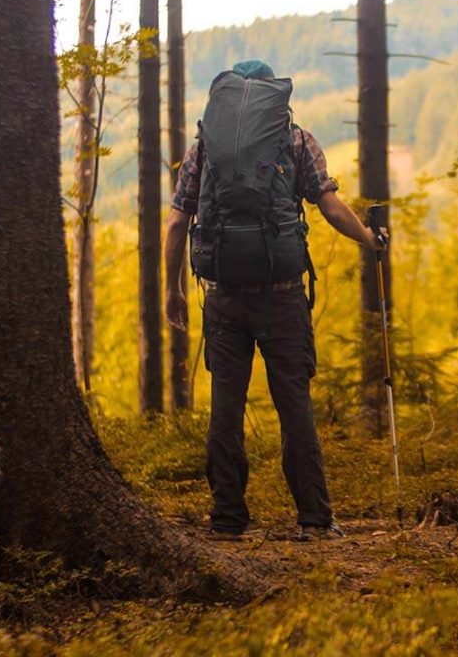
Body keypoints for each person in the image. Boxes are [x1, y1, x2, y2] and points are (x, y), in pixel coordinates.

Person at [164, 60, 385, 541]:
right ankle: (315, 519)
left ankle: (227, 519)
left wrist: (172, 288)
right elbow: (327, 205)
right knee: (294, 407)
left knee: (226, 407)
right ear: (272, 97)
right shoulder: (297, 140)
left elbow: (178, 220)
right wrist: (369, 238)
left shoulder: (204, 147)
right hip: (282, 298)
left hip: (223, 298)